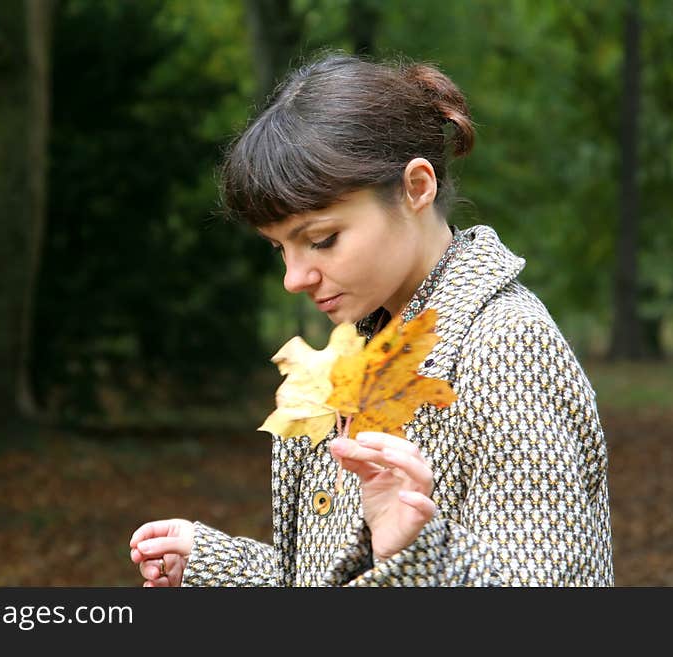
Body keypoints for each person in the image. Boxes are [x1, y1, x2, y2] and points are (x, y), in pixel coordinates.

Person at [129, 52, 614, 586]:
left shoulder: (506, 348)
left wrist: (418, 551)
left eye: (321, 240)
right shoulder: (355, 351)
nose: (295, 277)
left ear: (416, 188)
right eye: (279, 249)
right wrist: (222, 569)